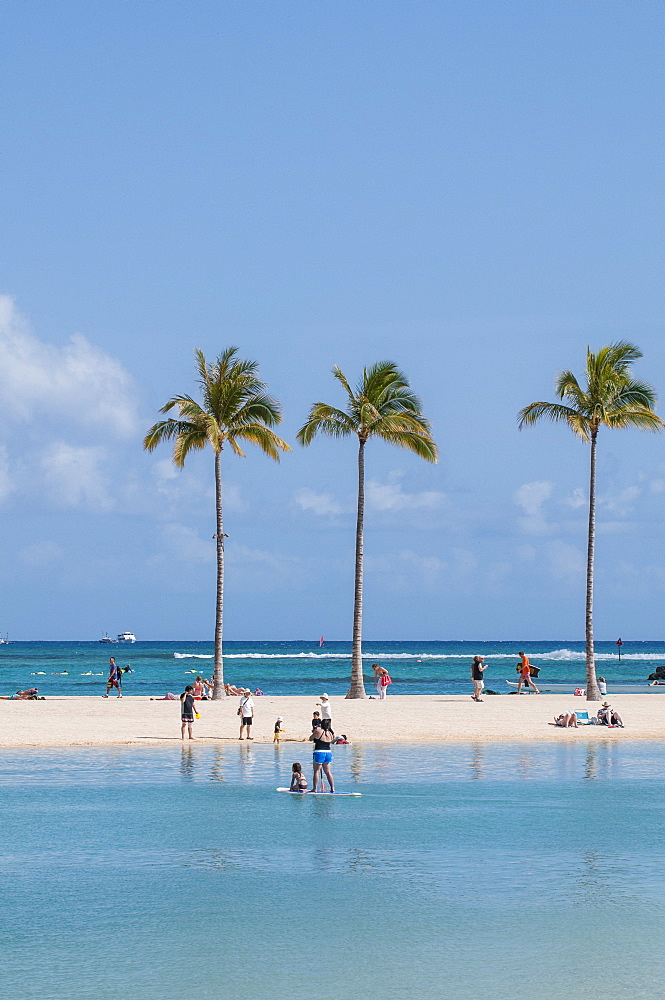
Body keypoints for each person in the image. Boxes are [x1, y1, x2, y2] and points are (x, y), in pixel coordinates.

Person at [309, 722, 335, 793]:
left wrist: (314, 732)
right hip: (328, 752)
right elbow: (332, 740)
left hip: (319, 752)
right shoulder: (331, 733)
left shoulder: (318, 731)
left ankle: (314, 788)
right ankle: (332, 788)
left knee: (316, 771)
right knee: (328, 772)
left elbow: (310, 738)